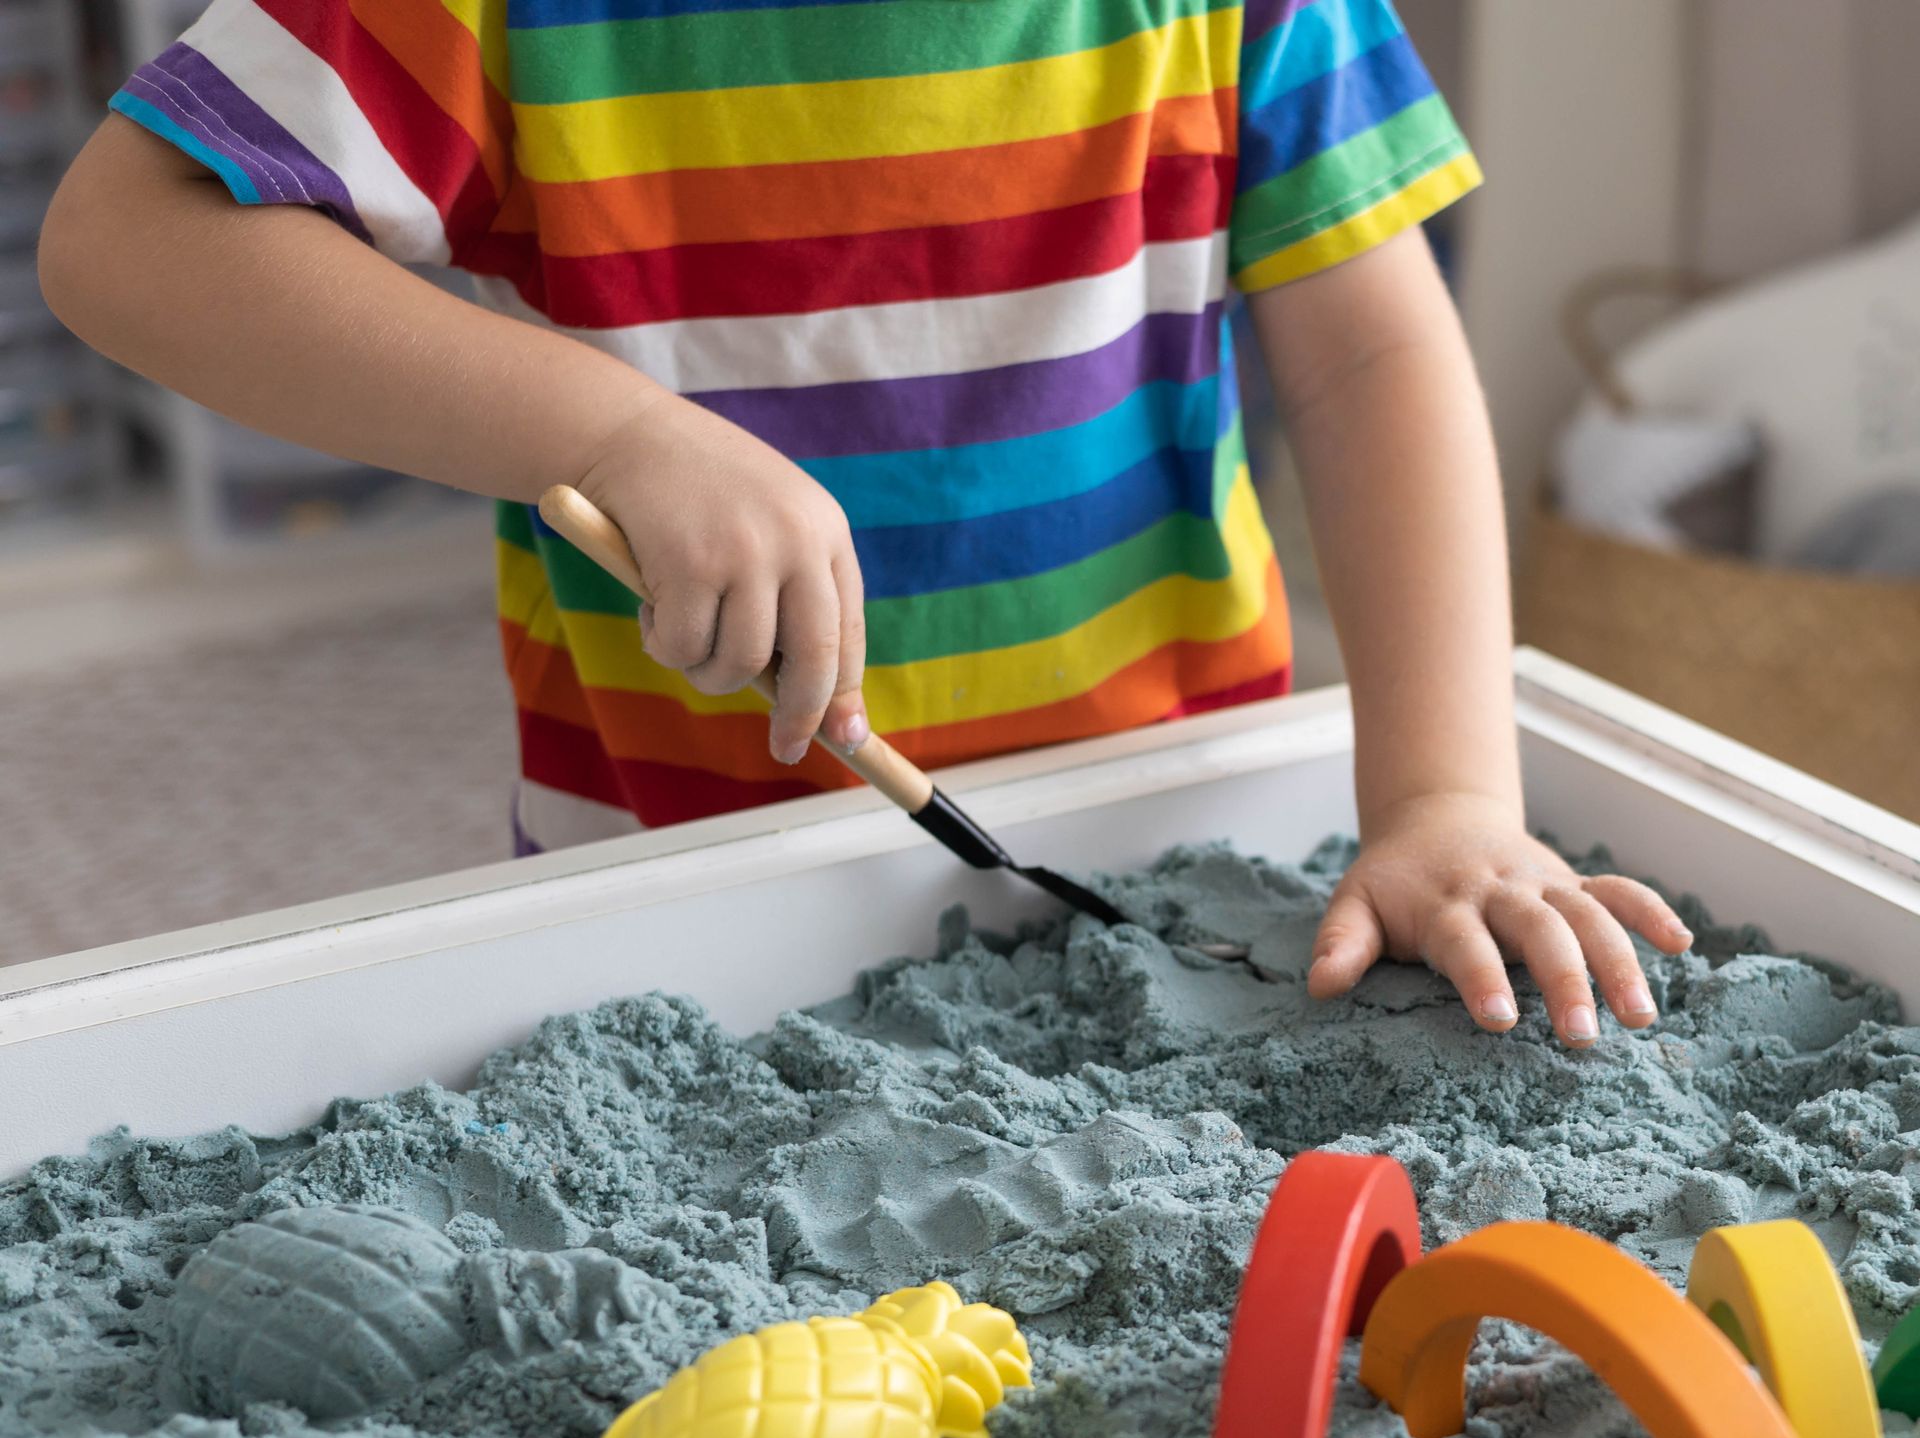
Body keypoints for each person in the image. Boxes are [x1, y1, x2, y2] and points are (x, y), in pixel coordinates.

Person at [40, 0, 1692, 1047]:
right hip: (685, 893)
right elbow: (127, 236)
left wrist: (1447, 793)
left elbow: (1374, 358)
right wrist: (612, 428)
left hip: (1175, 856)